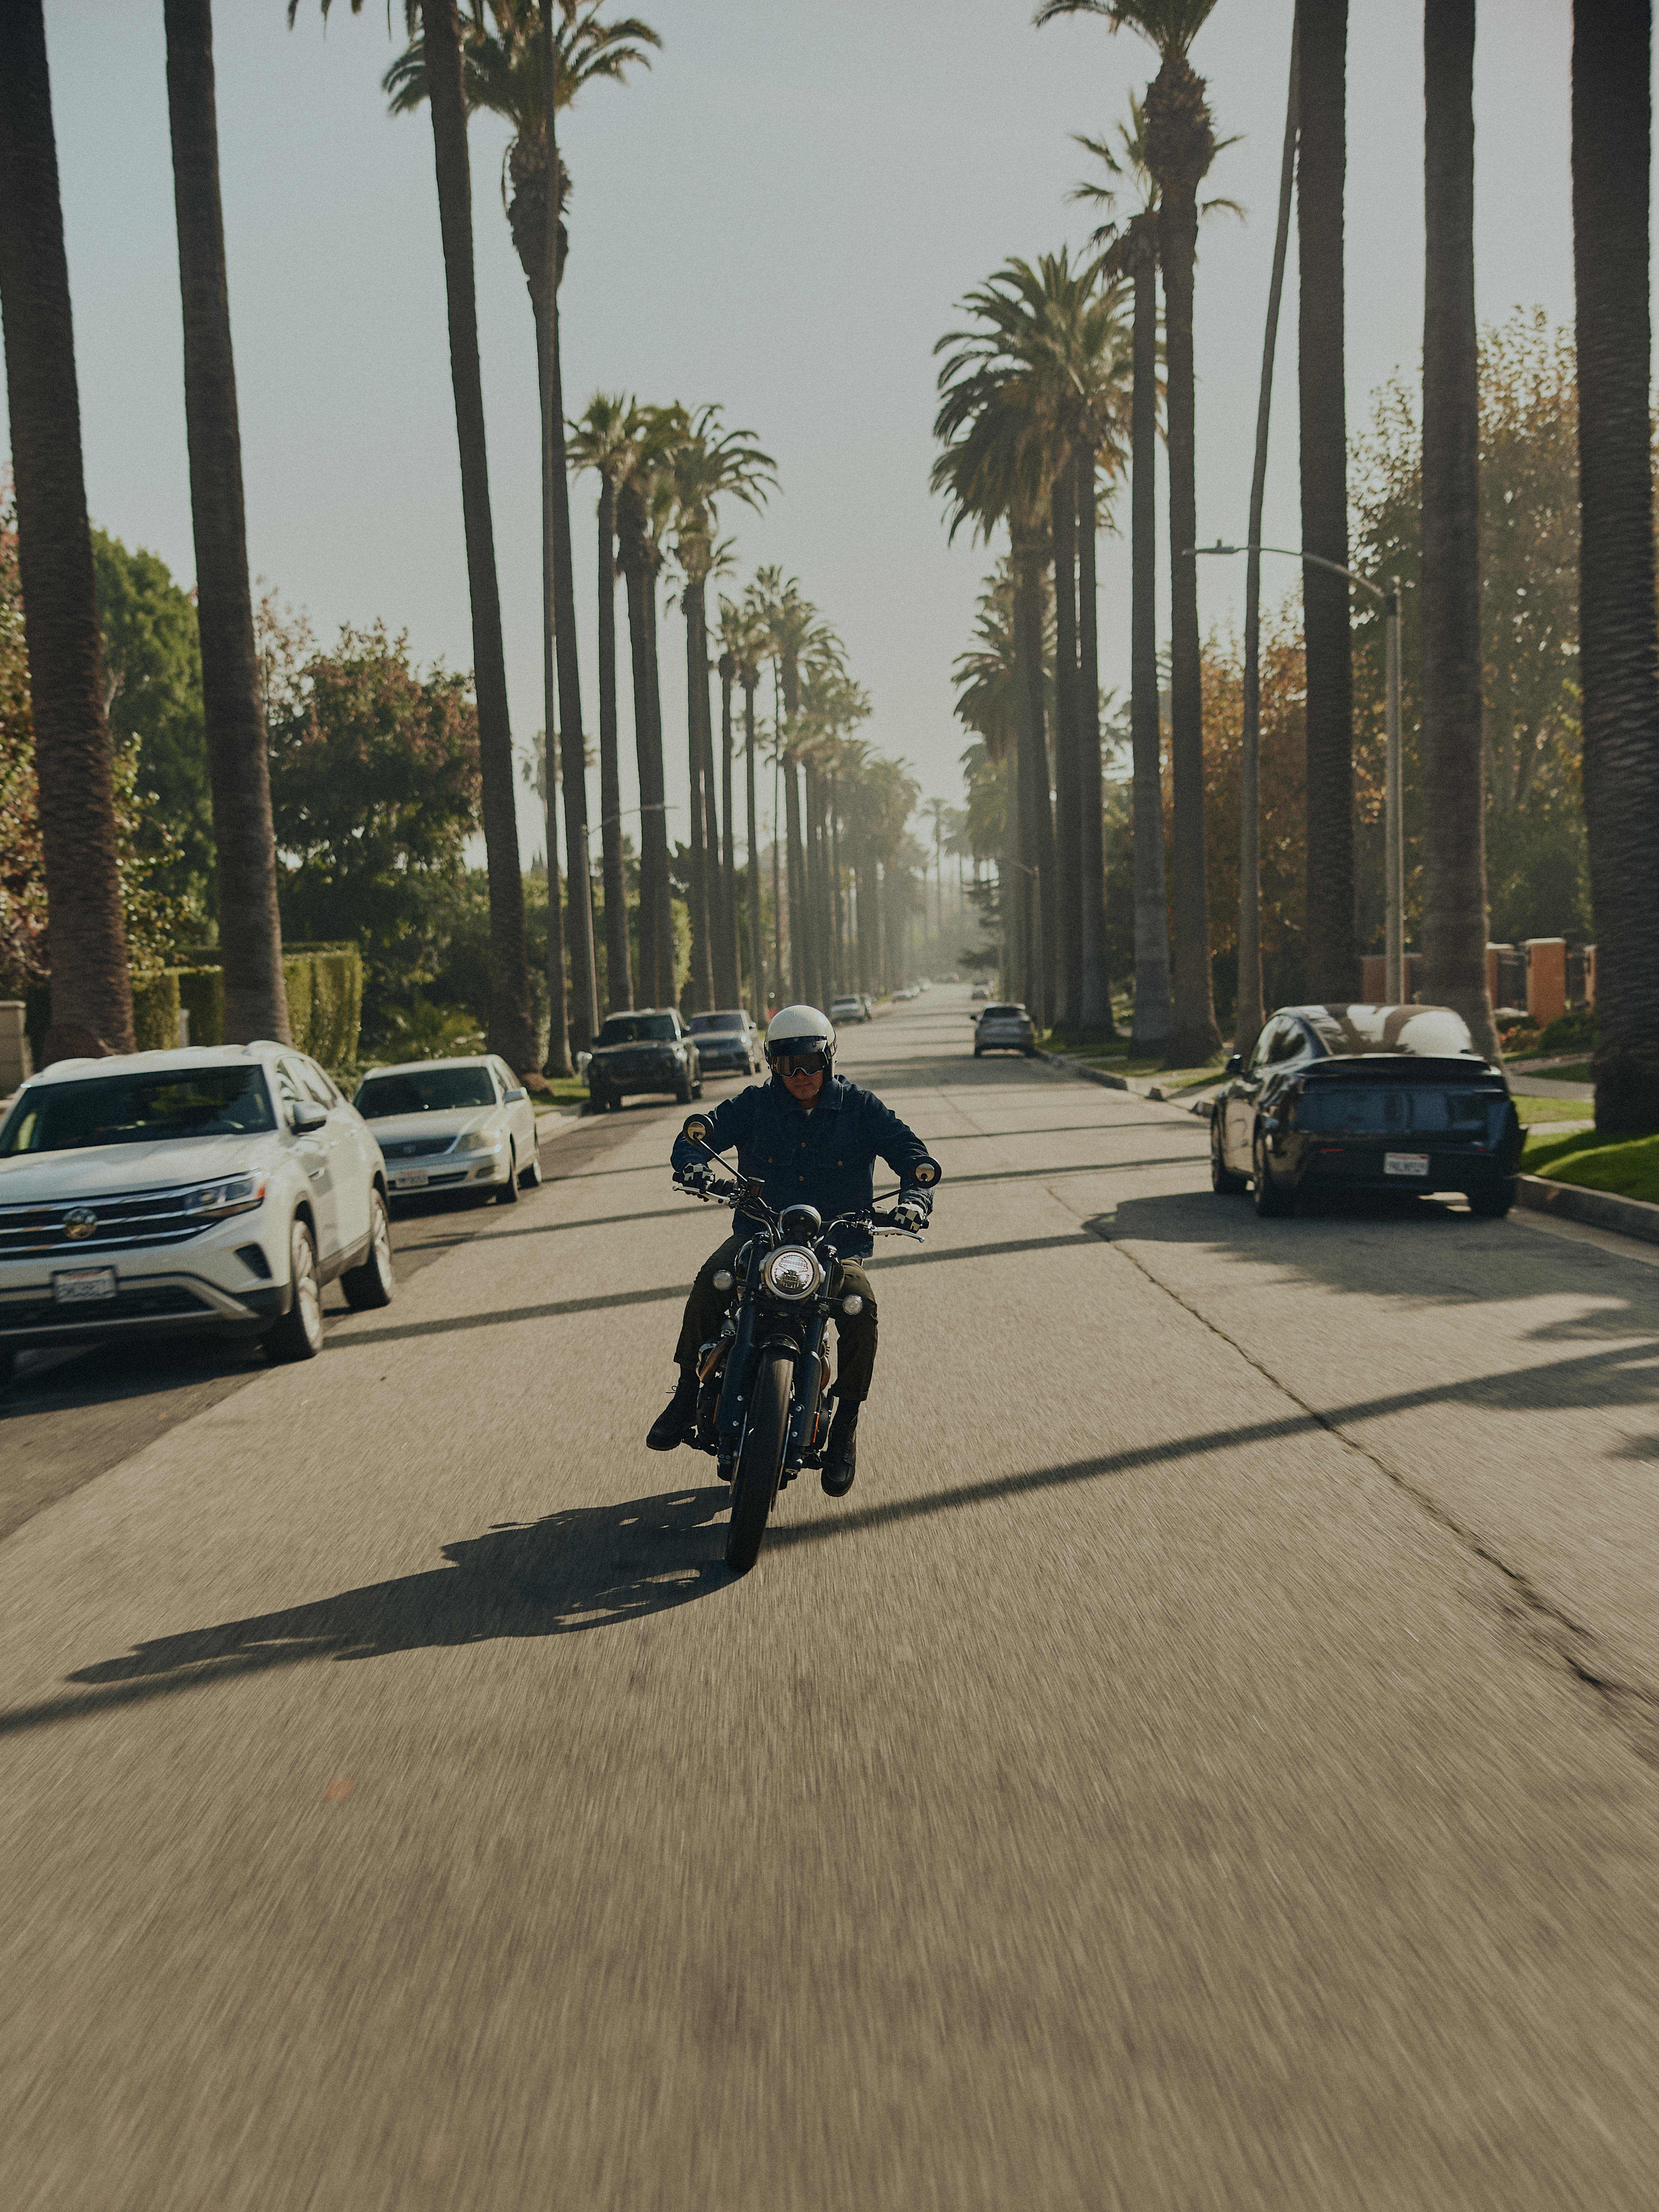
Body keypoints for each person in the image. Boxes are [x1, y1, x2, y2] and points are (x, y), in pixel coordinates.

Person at [646, 1004, 938, 1496]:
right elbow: (699, 1136)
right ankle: (686, 1392)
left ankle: (844, 1426)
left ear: (828, 1057)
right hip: (760, 1235)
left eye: (810, 1062)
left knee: (860, 1307)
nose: (801, 1076)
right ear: (772, 1064)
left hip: (836, 1246)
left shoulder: (861, 1108)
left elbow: (914, 1157)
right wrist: (693, 1164)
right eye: (788, 1065)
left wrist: (913, 1197)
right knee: (713, 1275)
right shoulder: (754, 1105)